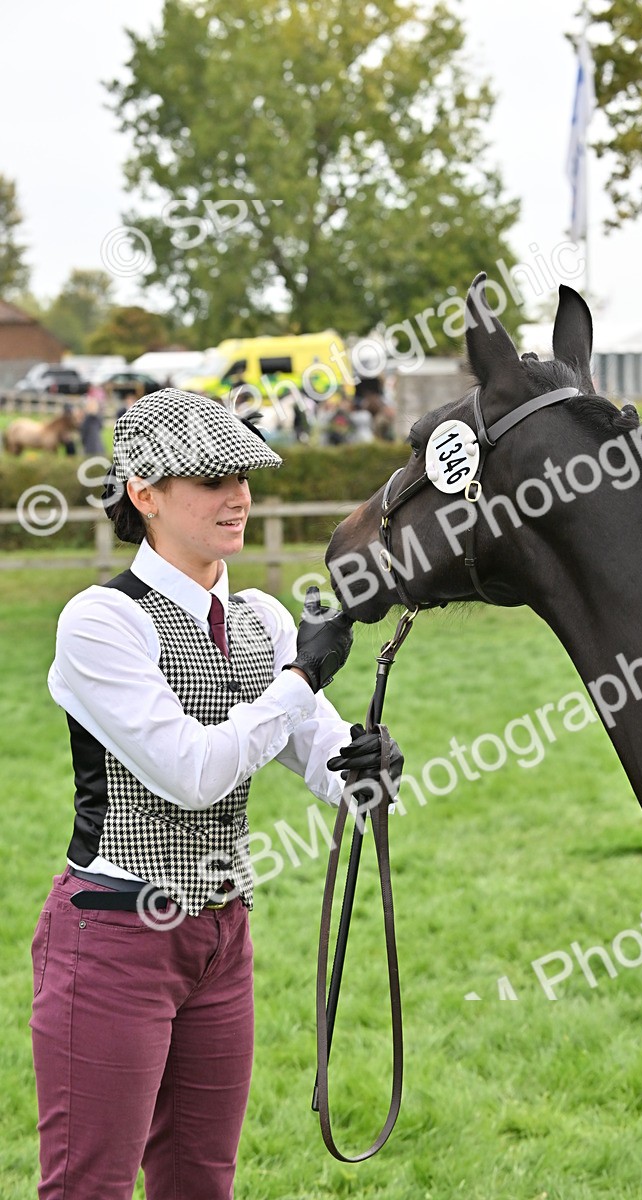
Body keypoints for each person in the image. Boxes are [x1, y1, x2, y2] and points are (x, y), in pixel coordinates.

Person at [30, 388, 402, 1200]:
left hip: (221, 935)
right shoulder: (100, 622)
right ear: (145, 492)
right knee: (88, 1186)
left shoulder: (261, 615)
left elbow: (324, 762)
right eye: (211, 478)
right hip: (113, 937)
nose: (238, 495)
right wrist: (303, 676)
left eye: (243, 474)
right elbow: (193, 773)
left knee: (202, 1181)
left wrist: (368, 767)